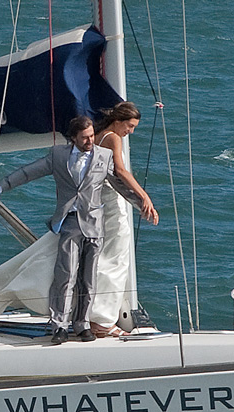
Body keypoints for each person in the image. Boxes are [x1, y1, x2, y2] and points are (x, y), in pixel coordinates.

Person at [0, 115, 117, 344]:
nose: (90, 141)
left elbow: (120, 181)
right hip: (70, 222)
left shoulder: (104, 156)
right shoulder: (59, 156)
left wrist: (142, 202)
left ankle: (82, 324)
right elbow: (29, 171)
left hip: (95, 224)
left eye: (92, 136)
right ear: (73, 137)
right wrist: (0, 186)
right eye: (85, 137)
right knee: (65, 275)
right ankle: (60, 326)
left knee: (89, 279)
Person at [88, 102, 159, 338]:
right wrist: (144, 196)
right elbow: (120, 171)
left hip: (99, 201)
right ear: (118, 121)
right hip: (112, 203)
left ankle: (98, 316)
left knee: (105, 258)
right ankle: (102, 320)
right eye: (130, 126)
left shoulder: (98, 136)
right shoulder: (112, 138)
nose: (131, 131)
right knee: (116, 260)